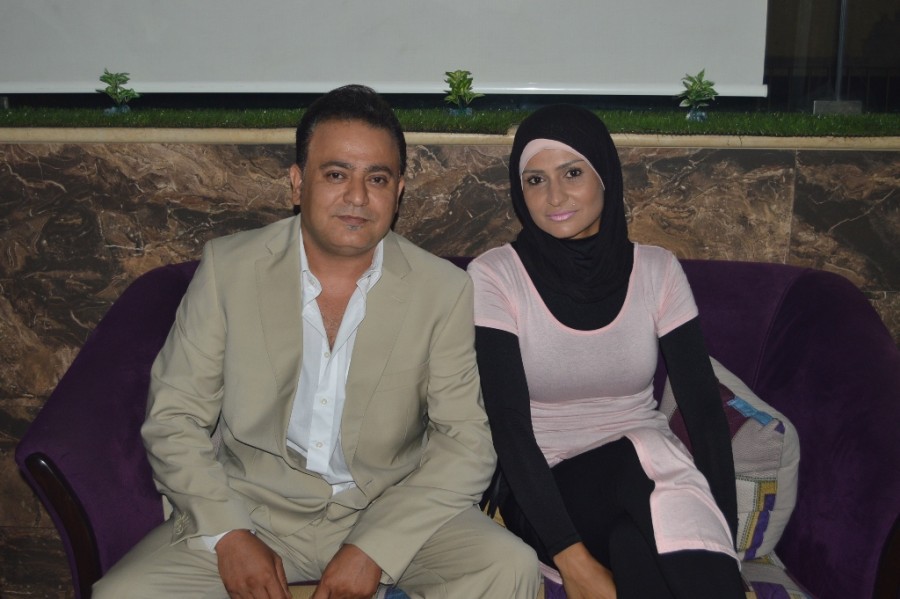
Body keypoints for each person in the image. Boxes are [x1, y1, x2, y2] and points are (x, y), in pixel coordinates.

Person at [93, 84, 540, 599]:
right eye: (336, 174)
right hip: (253, 508)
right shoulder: (229, 270)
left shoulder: (441, 290)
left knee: (508, 567)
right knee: (121, 595)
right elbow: (174, 418)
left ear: (398, 193)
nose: (357, 197)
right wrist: (230, 534)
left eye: (377, 178)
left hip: (387, 507)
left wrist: (375, 547)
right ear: (297, 183)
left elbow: (465, 442)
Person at [468, 104, 744, 599]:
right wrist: (572, 560)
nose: (554, 196)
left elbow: (704, 413)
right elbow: (508, 428)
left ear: (605, 175)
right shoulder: (495, 276)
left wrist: (722, 540)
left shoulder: (658, 270)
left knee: (633, 547)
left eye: (572, 173)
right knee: (642, 459)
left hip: (648, 489)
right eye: (535, 180)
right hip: (545, 491)